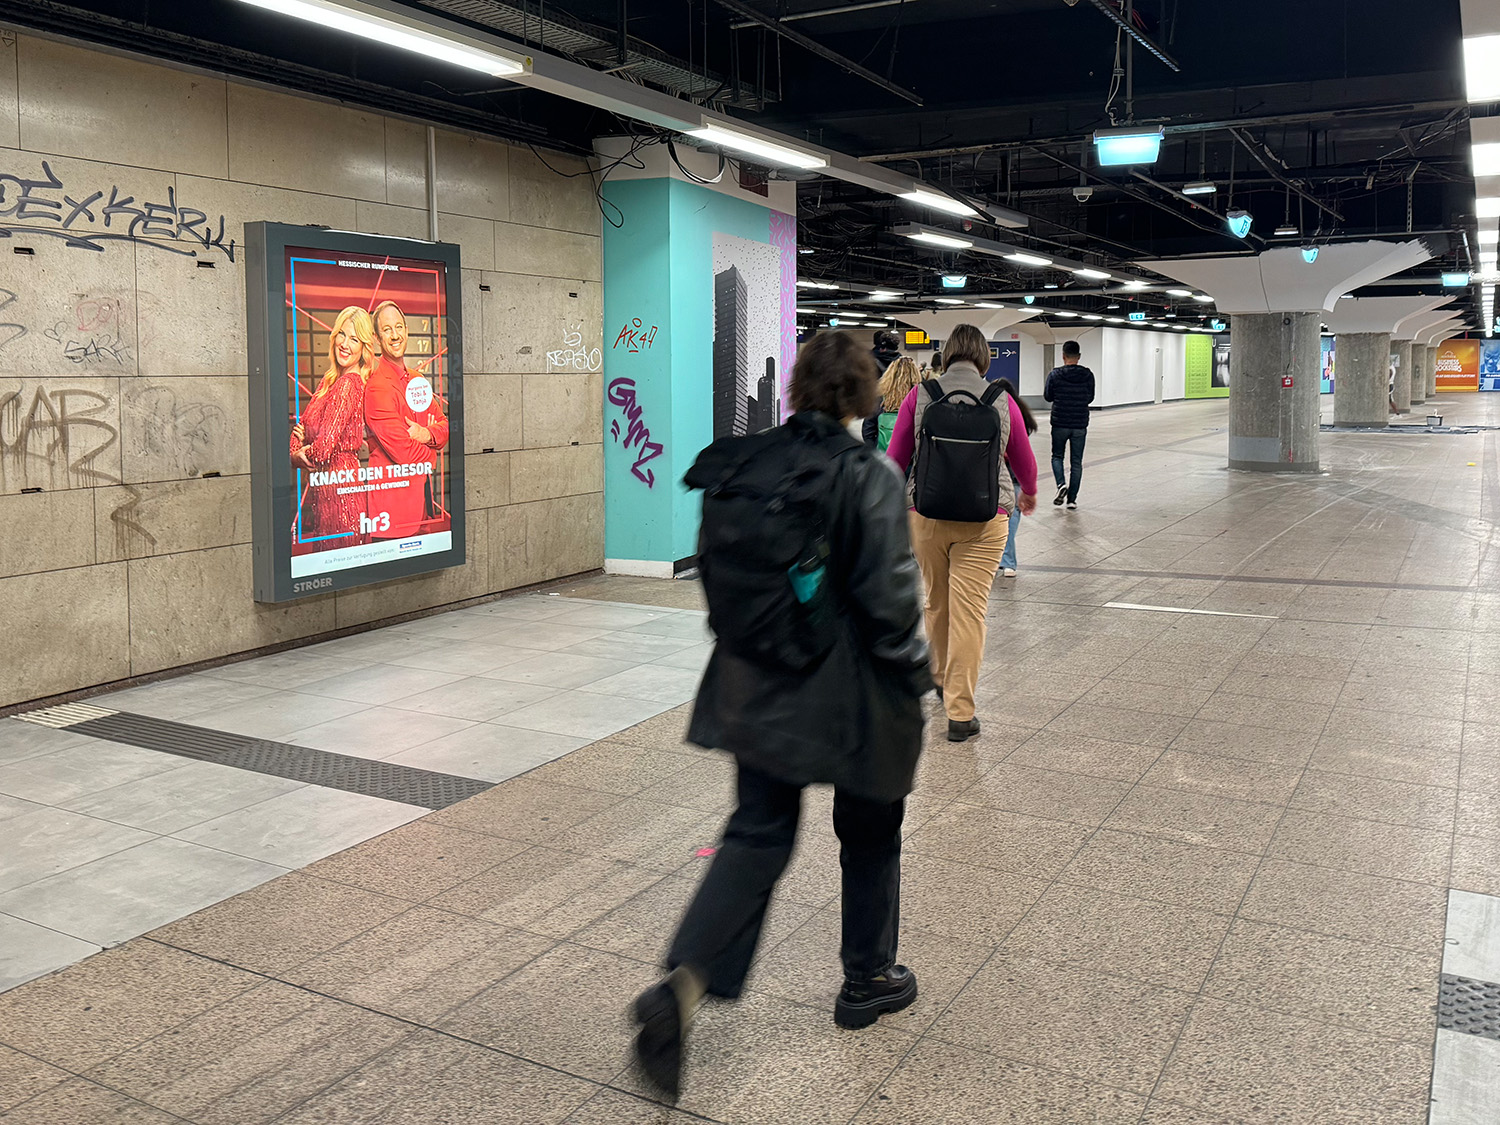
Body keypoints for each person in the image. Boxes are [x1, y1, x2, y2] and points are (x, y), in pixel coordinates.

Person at [632, 331, 931, 1101]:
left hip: (755, 679)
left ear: (797, 387)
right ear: (863, 394)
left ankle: (680, 989)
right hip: (851, 692)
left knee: (758, 833)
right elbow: (891, 602)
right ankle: (867, 977)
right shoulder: (867, 474)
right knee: (871, 829)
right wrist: (916, 677)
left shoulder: (746, 463)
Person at [886, 323, 1038, 742]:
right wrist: (1028, 492)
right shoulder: (1001, 398)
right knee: (969, 611)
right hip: (986, 520)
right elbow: (1024, 460)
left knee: (936, 601)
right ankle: (960, 711)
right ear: (983, 358)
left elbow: (896, 457)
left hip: (926, 515)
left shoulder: (921, 395)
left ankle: (939, 679)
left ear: (948, 354)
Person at [364, 300, 451, 539]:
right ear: (377, 338)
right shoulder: (377, 387)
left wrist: (425, 434)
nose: (395, 335)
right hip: (393, 516)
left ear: (407, 330)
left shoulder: (416, 379)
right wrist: (432, 450)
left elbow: (445, 426)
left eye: (399, 327)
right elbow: (404, 453)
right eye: (387, 329)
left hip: (422, 507)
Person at [290, 306, 377, 543]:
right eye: (342, 334)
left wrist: (299, 454)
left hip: (341, 494)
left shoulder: (348, 384)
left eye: (354, 339)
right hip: (326, 492)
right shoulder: (330, 380)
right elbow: (299, 429)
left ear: (364, 348)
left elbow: (322, 449)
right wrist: (297, 452)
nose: (345, 344)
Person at [1043, 340, 1095, 510]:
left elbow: (1048, 396)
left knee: (1057, 456)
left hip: (1060, 422)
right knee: (1076, 462)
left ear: (1063, 356)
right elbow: (1090, 397)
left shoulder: (1055, 374)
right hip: (1079, 423)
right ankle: (1072, 500)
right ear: (1079, 356)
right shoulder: (1088, 375)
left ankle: (1061, 485)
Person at [995, 378, 1038, 578]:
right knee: (1011, 518)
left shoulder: (993, 413)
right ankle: (1008, 562)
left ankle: (1001, 560)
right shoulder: (1020, 413)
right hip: (1014, 475)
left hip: (998, 474)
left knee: (998, 518)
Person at [862, 356, 921, 450]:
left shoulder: (880, 398)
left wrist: (875, 451)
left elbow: (867, 430)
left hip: (883, 452)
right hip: (910, 454)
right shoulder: (919, 397)